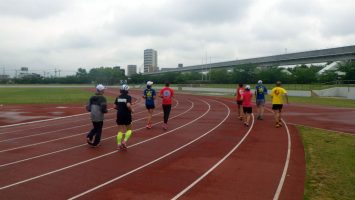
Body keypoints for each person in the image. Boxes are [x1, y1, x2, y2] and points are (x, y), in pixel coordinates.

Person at [115, 84, 133, 150]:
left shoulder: (118, 97)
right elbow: (128, 105)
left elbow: (115, 106)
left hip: (119, 114)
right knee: (129, 129)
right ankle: (124, 141)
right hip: (126, 115)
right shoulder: (128, 97)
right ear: (127, 90)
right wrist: (132, 110)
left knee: (120, 131)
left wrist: (120, 108)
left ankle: (119, 144)